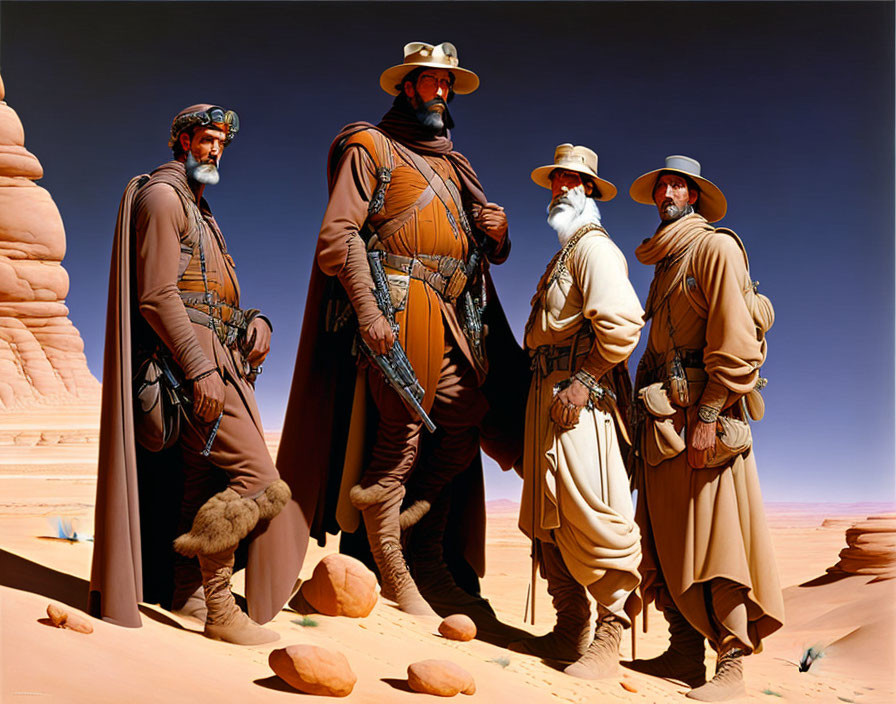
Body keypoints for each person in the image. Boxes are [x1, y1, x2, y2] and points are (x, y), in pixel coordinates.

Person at [277, 42, 527, 622]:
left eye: (448, 84)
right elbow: (339, 235)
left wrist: (499, 236)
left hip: (449, 310)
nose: (441, 92)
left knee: (465, 425)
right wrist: (369, 310)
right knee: (401, 436)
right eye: (431, 82)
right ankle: (393, 569)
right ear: (407, 86)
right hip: (399, 300)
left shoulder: (452, 164)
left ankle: (421, 545)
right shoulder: (371, 146)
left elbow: (480, 254)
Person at [89, 104, 305, 645]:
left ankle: (186, 591)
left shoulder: (200, 209)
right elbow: (159, 296)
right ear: (182, 141)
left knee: (200, 478)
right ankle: (218, 611)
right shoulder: (164, 198)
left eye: (221, 144)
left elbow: (211, 296)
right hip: (194, 366)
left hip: (219, 360)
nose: (215, 151)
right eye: (206, 140)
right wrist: (201, 367)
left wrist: (256, 320)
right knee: (256, 479)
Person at [625, 155, 783, 700]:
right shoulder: (662, 263)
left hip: (703, 423)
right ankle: (684, 651)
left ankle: (732, 664)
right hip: (664, 423)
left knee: (718, 541)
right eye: (661, 186)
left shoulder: (714, 248)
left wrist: (711, 415)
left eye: (677, 186)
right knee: (668, 539)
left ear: (693, 197)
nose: (666, 193)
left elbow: (737, 344)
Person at [508, 144, 643, 678]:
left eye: (575, 181)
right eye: (557, 180)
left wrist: (584, 381)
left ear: (590, 191)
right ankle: (571, 628)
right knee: (548, 513)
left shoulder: (595, 250)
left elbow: (623, 325)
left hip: (578, 401)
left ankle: (609, 636)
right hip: (546, 394)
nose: (563, 188)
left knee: (592, 511)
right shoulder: (563, 256)